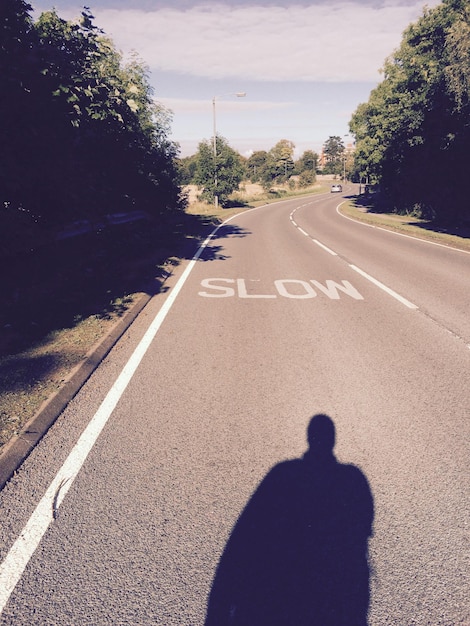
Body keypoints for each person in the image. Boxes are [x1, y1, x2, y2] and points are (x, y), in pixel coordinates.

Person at [205, 414, 374, 626]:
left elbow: (242, 541)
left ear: (309, 438)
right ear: (333, 440)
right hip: (334, 604)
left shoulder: (282, 476)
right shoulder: (353, 482)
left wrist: (219, 607)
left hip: (284, 602)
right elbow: (359, 549)